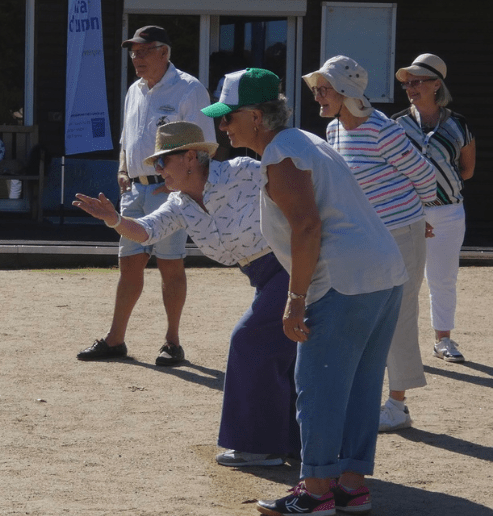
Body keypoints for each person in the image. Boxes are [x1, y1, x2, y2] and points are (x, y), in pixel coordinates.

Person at [203, 68, 406, 516]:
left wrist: (294, 300)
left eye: (227, 116)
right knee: (359, 386)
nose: (222, 126)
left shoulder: (281, 153)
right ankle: (351, 487)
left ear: (256, 117)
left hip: (344, 280)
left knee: (318, 387)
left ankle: (315, 492)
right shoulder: (303, 140)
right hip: (383, 274)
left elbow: (307, 227)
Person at [74, 121, 300, 467]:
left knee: (248, 341)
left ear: (191, 157)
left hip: (292, 265)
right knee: (286, 357)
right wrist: (114, 220)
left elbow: (301, 189)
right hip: (263, 277)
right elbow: (146, 231)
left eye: (163, 161)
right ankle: (296, 446)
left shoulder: (243, 171)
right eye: (156, 163)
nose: (158, 169)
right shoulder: (179, 204)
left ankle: (259, 447)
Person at [301, 55, 438, 433]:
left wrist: (421, 217)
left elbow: (425, 176)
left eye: (324, 90)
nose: (317, 97)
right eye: (316, 89)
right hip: (366, 236)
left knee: (398, 318)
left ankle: (397, 406)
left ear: (345, 91)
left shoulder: (382, 129)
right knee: (363, 317)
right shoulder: (333, 130)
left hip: (401, 232)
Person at [76, 25, 216, 366]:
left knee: (170, 264)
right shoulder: (134, 90)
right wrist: (122, 169)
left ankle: (172, 342)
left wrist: (178, 183)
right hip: (134, 188)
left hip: (168, 190)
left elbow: (203, 145)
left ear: (164, 52)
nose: (136, 58)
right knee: (129, 265)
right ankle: (115, 340)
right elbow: (127, 138)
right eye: (133, 53)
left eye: (143, 51)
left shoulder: (189, 89)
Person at [393, 53, 476, 364]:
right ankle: (398, 344)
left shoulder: (458, 124)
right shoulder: (396, 124)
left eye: (417, 82)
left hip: (448, 212)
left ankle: (443, 340)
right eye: (407, 83)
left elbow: (467, 170)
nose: (410, 88)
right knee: (402, 281)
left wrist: (438, 186)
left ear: (436, 84)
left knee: (443, 278)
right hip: (405, 211)